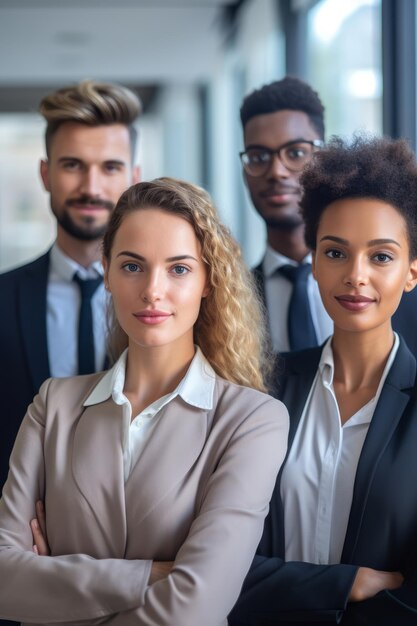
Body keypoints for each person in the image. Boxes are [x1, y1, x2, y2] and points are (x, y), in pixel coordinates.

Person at [0, 177, 289, 626]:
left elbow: (196, 606)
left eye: (178, 269)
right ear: (107, 271)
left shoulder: (253, 420)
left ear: (208, 279)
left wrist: (54, 585)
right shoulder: (53, 404)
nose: (153, 290)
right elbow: (4, 579)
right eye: (133, 266)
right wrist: (153, 575)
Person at [229, 135, 417, 626]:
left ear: (412, 271)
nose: (356, 276)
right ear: (313, 262)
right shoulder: (261, 388)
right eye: (336, 253)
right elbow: (221, 566)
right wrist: (345, 585)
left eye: (381, 257)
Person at [0, 79, 141, 491]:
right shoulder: (3, 299)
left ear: (133, 178)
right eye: (72, 165)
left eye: (110, 167)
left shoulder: (167, 303)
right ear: (46, 174)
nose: (91, 187)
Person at [239, 76, 333, 352]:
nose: (276, 171)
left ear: (324, 157)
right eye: (258, 157)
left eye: (295, 153)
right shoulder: (231, 300)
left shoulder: (382, 288)